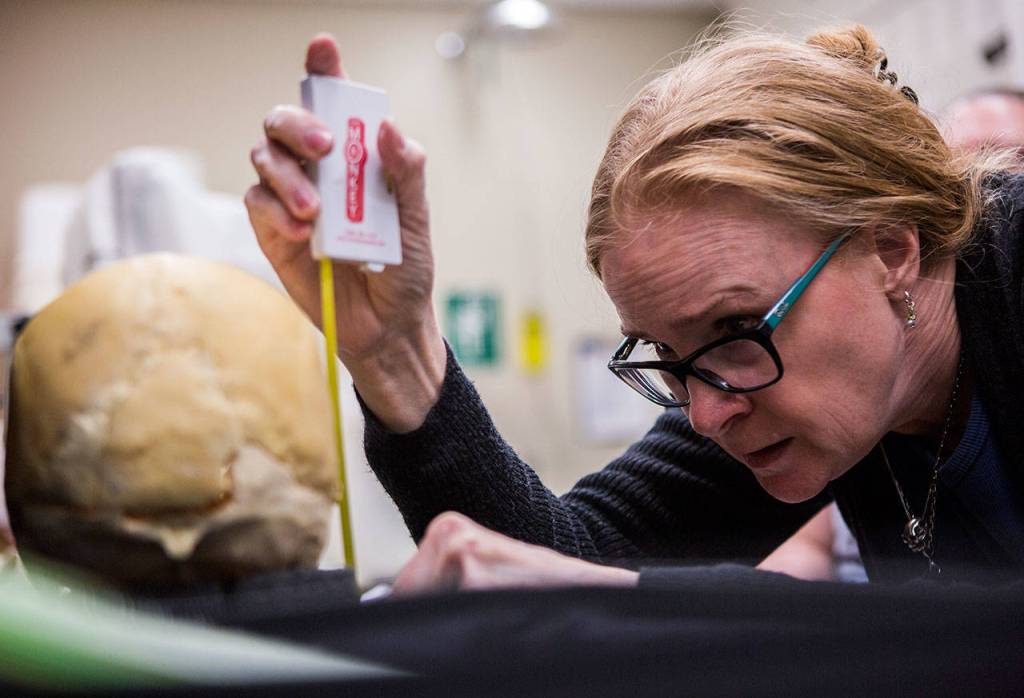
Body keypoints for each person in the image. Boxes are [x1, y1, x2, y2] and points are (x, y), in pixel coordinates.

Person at [245, 26, 1024, 594]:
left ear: (892, 249)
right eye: (667, 357)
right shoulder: (759, 390)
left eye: (736, 332)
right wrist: (396, 355)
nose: (708, 416)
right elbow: (573, 565)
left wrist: (690, 612)